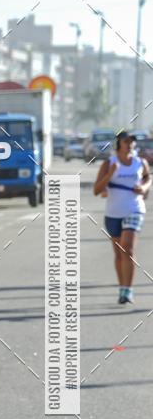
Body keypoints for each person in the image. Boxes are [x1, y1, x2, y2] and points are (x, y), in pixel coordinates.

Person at [94, 130, 150, 304]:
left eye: (132, 141)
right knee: (119, 254)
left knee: (128, 248)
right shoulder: (108, 163)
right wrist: (110, 174)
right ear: (119, 144)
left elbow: (148, 178)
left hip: (134, 209)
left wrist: (145, 187)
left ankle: (128, 290)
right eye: (126, 141)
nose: (130, 144)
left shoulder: (140, 162)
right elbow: (96, 190)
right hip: (113, 213)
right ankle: (122, 288)